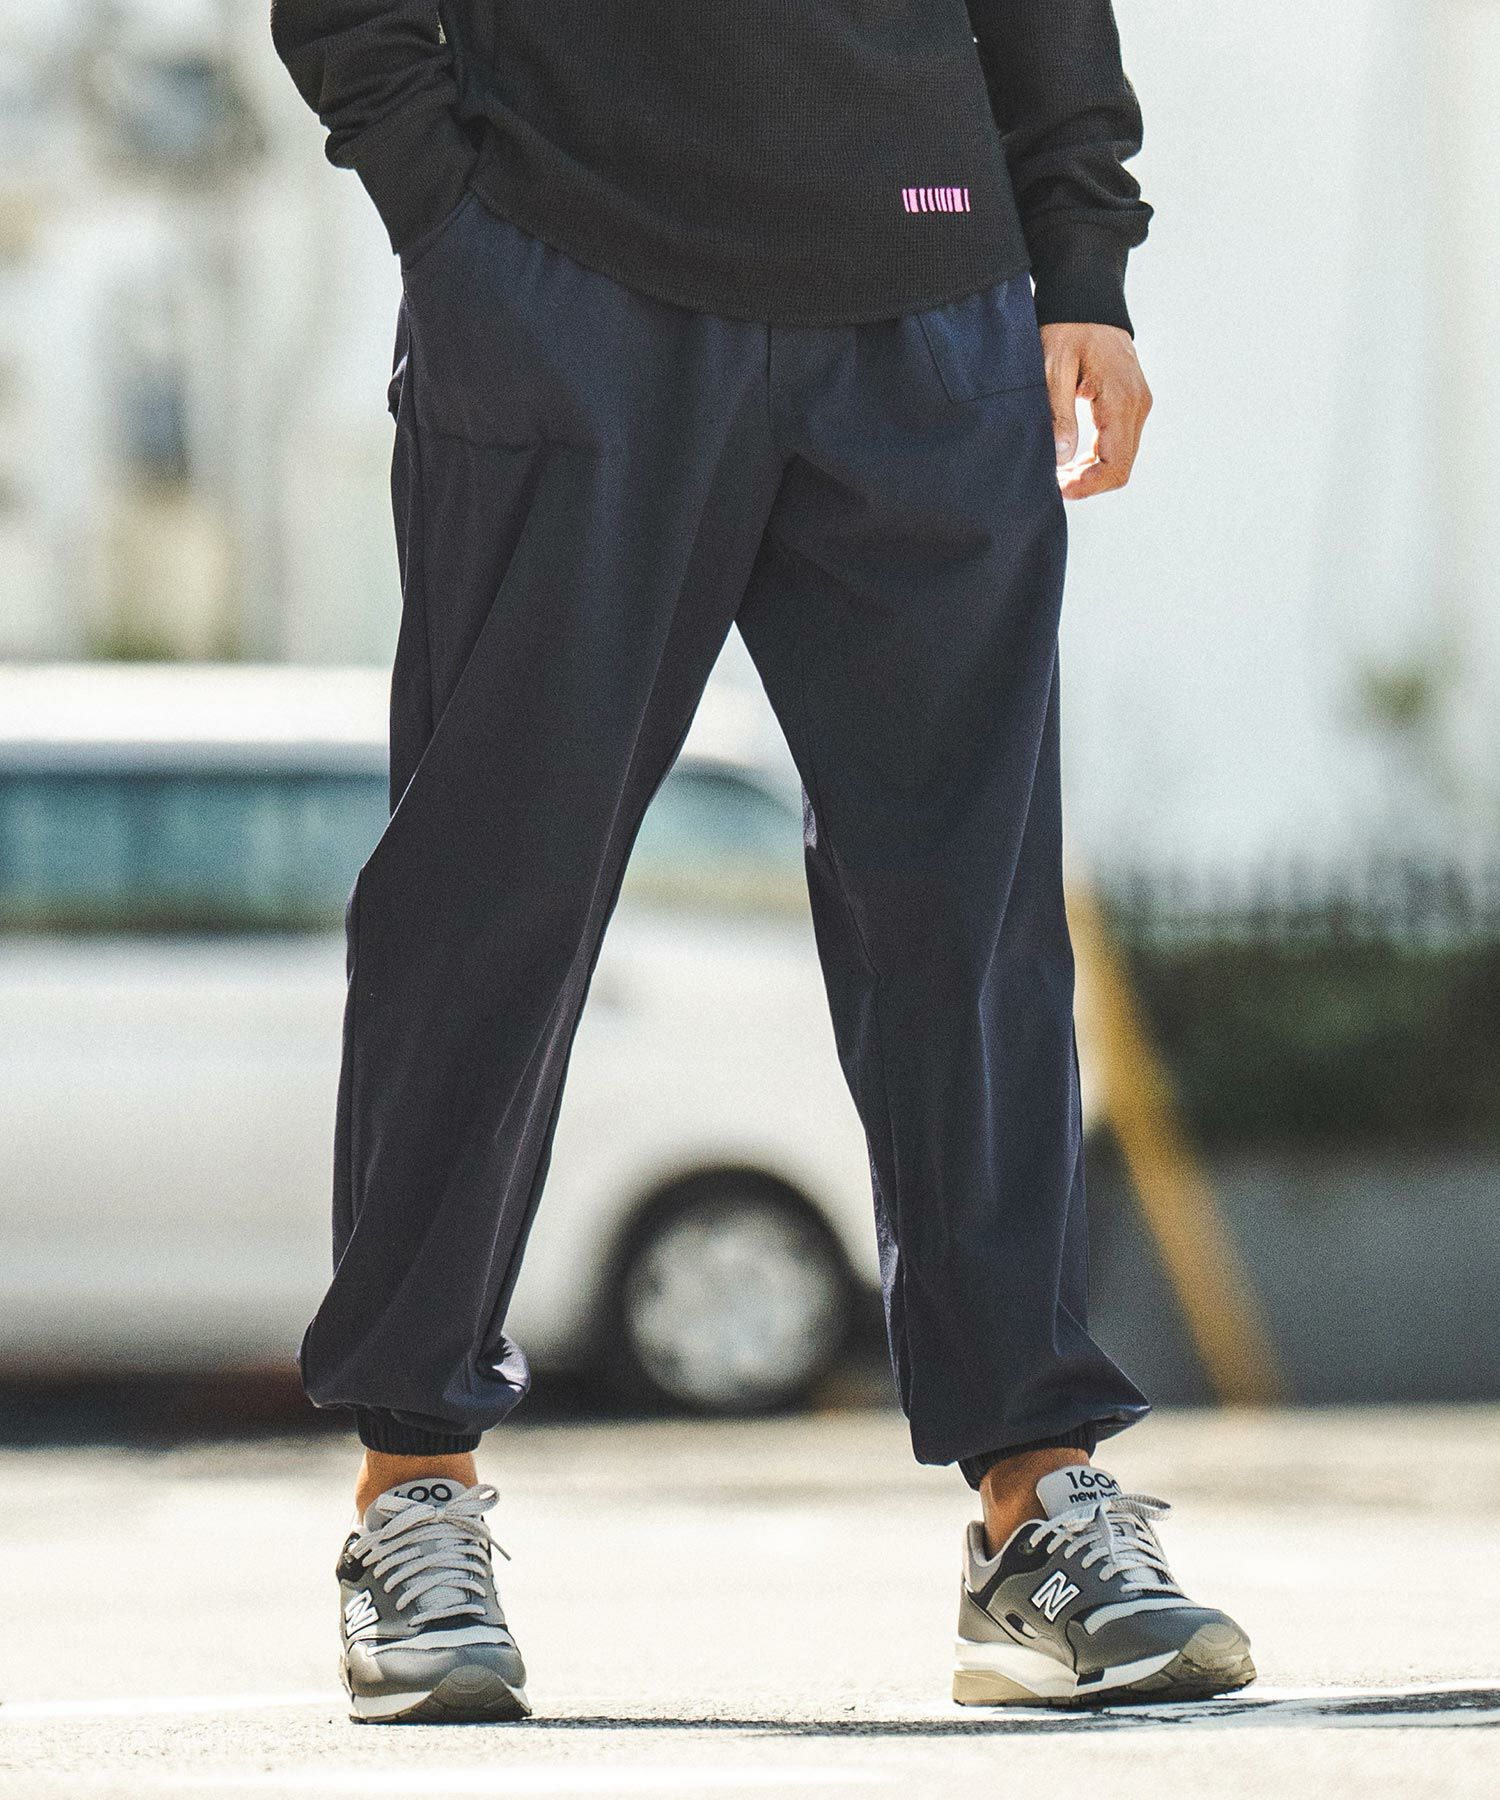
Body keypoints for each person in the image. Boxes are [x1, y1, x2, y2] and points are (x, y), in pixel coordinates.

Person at [270, 0, 1254, 1723]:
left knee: (968, 917)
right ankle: (414, 1490)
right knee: (491, 899)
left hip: (933, 302)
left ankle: (1036, 1505)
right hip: (570, 277)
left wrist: (1081, 260)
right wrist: (446, 213)